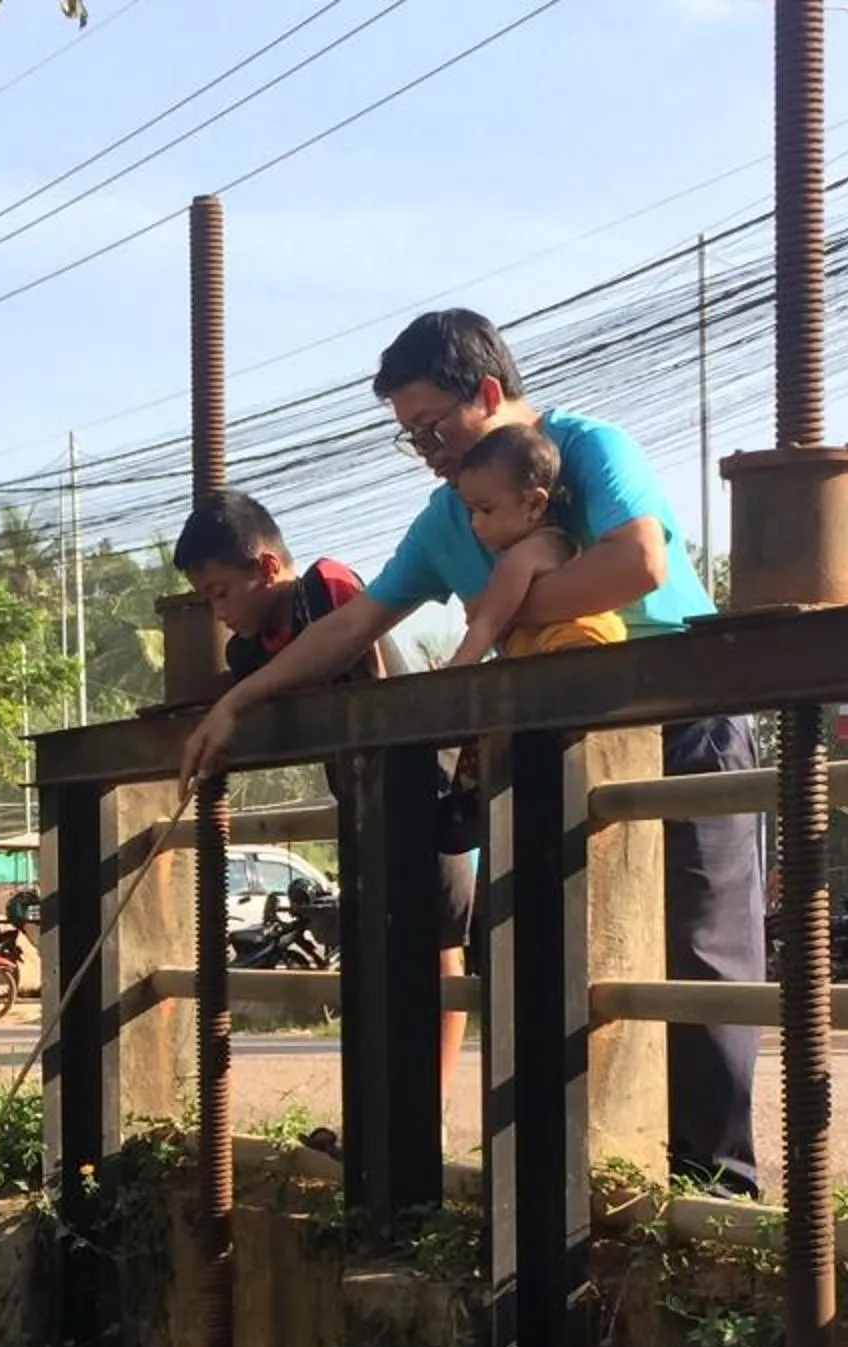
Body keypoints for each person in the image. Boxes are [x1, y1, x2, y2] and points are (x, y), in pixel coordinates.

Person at [177, 309, 763, 1197]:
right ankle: (568, 1184)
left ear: (488, 394)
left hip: (682, 715)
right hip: (547, 737)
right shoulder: (445, 518)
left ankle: (718, 1187)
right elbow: (355, 624)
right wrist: (239, 699)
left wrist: (500, 606)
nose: (426, 449)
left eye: (433, 426)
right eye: (410, 435)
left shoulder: (585, 448)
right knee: (552, 964)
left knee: (700, 948)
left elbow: (638, 564)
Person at [172, 487, 478, 1104]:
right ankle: (382, 1107)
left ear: (264, 568)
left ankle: (434, 1105)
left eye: (221, 593)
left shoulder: (325, 588)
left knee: (441, 951)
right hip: (363, 809)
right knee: (378, 955)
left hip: (428, 793)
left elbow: (368, 681)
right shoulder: (251, 650)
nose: (220, 612)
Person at [442, 422, 629, 666]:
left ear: (534, 504)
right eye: (471, 512)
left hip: (570, 645)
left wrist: (452, 674)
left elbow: (488, 623)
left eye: (486, 510)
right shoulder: (561, 541)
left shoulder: (523, 557)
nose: (475, 524)